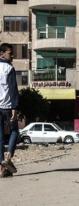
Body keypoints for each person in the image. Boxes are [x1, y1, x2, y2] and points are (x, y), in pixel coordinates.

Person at [0, 43, 19, 177]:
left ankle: (2, 164)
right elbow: (13, 89)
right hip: (7, 106)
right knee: (14, 131)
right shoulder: (8, 68)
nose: (12, 55)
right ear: (1, 54)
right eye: (9, 53)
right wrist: (14, 107)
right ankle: (8, 157)